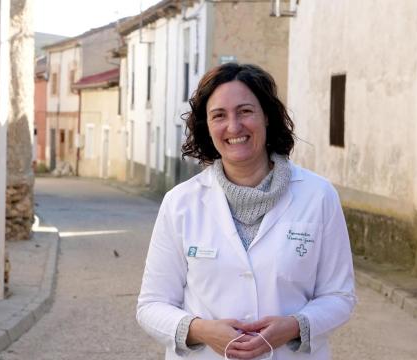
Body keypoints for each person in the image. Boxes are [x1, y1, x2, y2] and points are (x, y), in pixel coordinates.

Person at [136, 63, 356, 359]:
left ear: (266, 116)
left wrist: (294, 326)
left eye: (245, 111)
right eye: (219, 116)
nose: (234, 126)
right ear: (208, 126)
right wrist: (200, 330)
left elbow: (339, 296)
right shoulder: (180, 203)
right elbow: (151, 305)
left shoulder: (318, 196)